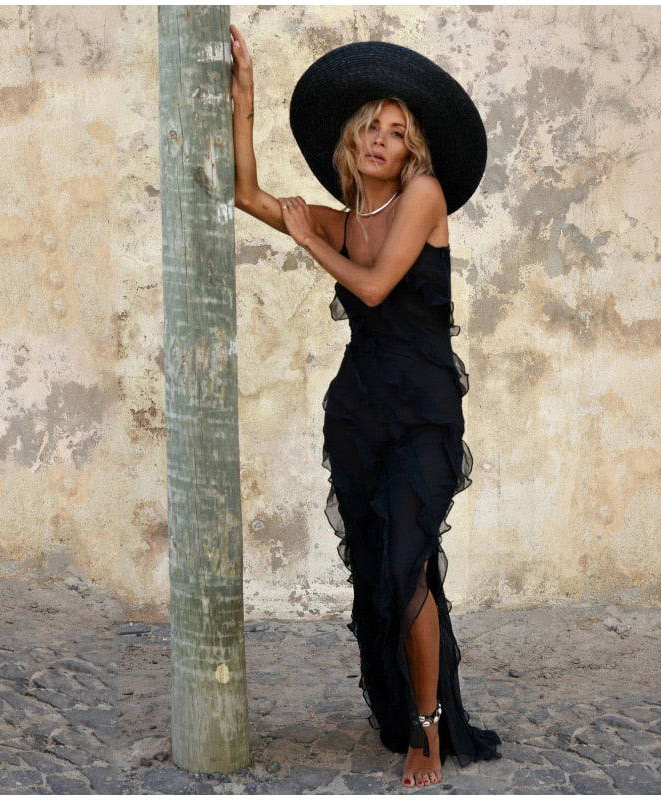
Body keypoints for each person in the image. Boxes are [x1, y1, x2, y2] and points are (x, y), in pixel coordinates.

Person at [230, 25, 501, 787]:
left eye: (398, 131)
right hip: (358, 412)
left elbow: (375, 287)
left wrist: (308, 240)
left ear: (412, 150)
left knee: (409, 564)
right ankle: (402, 703)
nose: (382, 139)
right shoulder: (346, 219)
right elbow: (247, 194)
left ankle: (428, 731)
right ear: (352, 141)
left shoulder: (424, 196)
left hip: (423, 414)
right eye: (372, 127)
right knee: (378, 570)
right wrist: (245, 100)